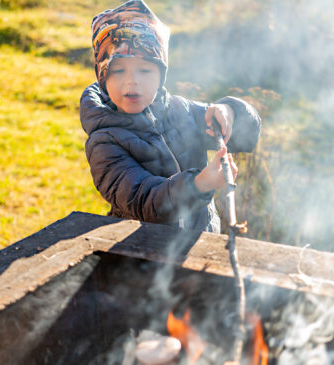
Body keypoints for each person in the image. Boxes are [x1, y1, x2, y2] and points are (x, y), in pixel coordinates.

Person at [80, 0, 261, 233]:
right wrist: (199, 184)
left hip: (200, 243)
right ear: (103, 76)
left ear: (161, 74)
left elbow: (244, 138)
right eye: (118, 70)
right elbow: (144, 200)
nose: (132, 81)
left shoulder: (181, 110)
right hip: (139, 254)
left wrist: (231, 112)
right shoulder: (104, 142)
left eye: (144, 70)